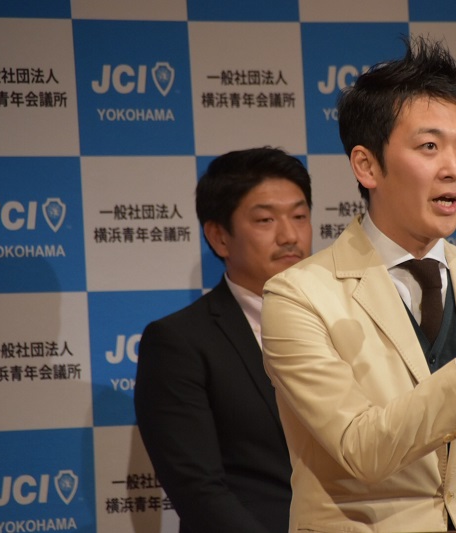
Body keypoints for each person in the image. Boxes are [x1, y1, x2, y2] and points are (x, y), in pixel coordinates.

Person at [260, 36, 456, 532]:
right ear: (367, 166)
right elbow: (361, 447)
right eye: (429, 147)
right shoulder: (298, 295)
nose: (454, 169)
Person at [134, 147, 313, 533]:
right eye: (265, 220)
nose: (290, 236)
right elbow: (198, 492)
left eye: (300, 216)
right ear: (219, 238)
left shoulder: (346, 322)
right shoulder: (179, 342)